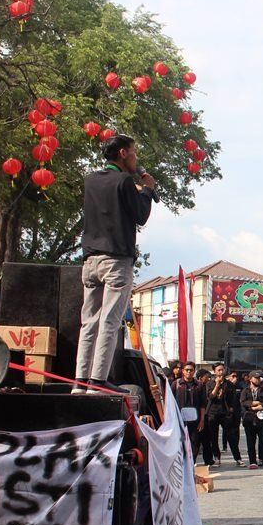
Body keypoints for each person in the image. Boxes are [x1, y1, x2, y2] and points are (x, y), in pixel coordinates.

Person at [75, 134, 156, 393]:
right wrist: (148, 191)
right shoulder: (123, 181)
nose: (136, 158)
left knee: (88, 322)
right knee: (110, 321)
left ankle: (80, 381)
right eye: (134, 152)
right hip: (116, 259)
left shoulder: (90, 180)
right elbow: (140, 216)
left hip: (90, 259)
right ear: (122, 153)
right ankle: (98, 380)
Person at [203, 363, 240, 467]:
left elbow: (233, 398)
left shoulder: (229, 384)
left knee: (231, 435)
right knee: (213, 436)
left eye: (222, 369)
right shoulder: (210, 383)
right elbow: (211, 396)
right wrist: (217, 385)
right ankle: (217, 457)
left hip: (225, 412)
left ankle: (237, 458)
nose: (221, 372)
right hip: (212, 412)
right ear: (214, 371)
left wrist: (231, 409)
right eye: (218, 370)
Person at [174, 362, 206, 462]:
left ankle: (192, 463)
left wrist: (202, 420)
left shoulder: (199, 385)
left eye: (191, 370)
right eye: (187, 370)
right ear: (183, 371)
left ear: (194, 372)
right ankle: (181, 463)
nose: (189, 372)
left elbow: (202, 405)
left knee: (194, 443)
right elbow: (169, 402)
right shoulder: (176, 384)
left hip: (195, 420)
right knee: (179, 442)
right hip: (179, 419)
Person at [239, 370, 263, 469]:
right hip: (249, 418)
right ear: (250, 378)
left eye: (259, 378)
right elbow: (243, 402)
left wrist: (257, 407)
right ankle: (253, 461)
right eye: (256, 378)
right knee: (250, 441)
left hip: (261, 417)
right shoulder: (245, 390)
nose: (258, 380)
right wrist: (255, 403)